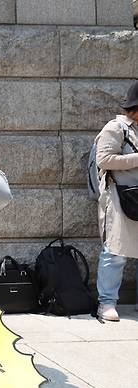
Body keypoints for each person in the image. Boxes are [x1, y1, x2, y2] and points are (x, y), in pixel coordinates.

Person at [95, 80, 138, 322]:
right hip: (121, 196)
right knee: (115, 250)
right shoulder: (116, 127)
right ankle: (106, 303)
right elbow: (104, 160)